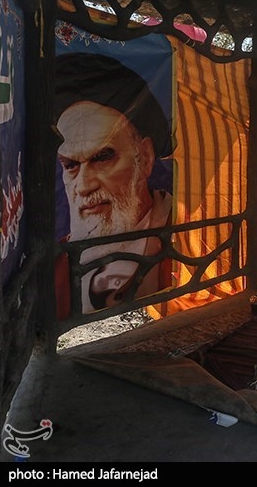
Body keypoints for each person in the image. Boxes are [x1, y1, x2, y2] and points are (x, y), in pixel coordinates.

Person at [53, 52, 174, 319]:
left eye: (102, 158)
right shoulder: (56, 265)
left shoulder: (186, 235)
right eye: (71, 165)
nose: (84, 186)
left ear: (144, 158)